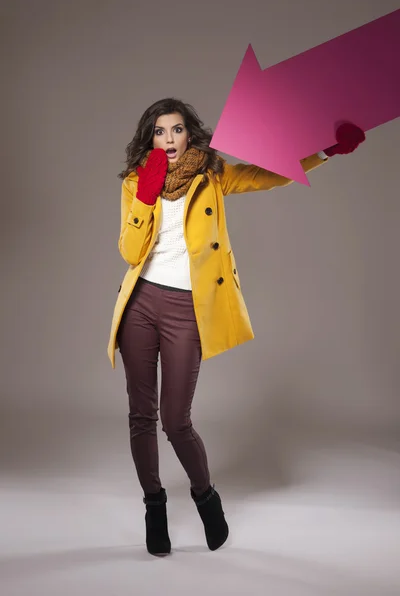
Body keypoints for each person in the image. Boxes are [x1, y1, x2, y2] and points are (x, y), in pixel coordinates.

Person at [107, 98, 365, 556]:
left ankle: (205, 496)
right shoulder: (135, 182)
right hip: (141, 305)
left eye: (177, 129)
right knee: (140, 415)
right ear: (150, 138)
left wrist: (325, 151)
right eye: (160, 131)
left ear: (190, 134)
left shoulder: (213, 174)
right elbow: (130, 252)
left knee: (175, 419)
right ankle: (154, 506)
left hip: (188, 307)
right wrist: (145, 198)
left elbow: (271, 174)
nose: (169, 139)